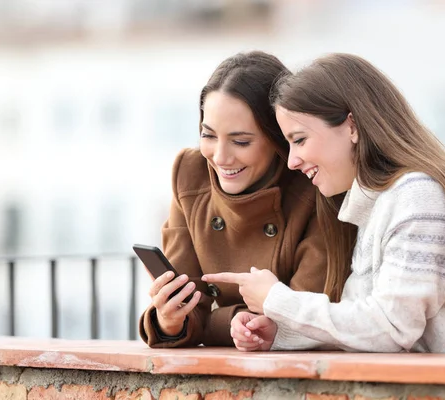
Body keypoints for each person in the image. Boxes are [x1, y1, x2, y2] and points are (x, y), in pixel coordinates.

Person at [202, 53, 445, 355]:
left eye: (300, 140)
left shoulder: (417, 195)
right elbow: (363, 320)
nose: (292, 161)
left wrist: (278, 301)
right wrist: (280, 333)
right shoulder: (379, 204)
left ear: (351, 126)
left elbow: (392, 328)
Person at [139, 51, 339, 348]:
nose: (220, 157)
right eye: (208, 135)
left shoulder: (315, 183)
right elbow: (189, 306)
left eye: (241, 141)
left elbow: (303, 316)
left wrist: (221, 322)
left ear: (278, 137)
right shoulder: (190, 173)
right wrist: (169, 320)